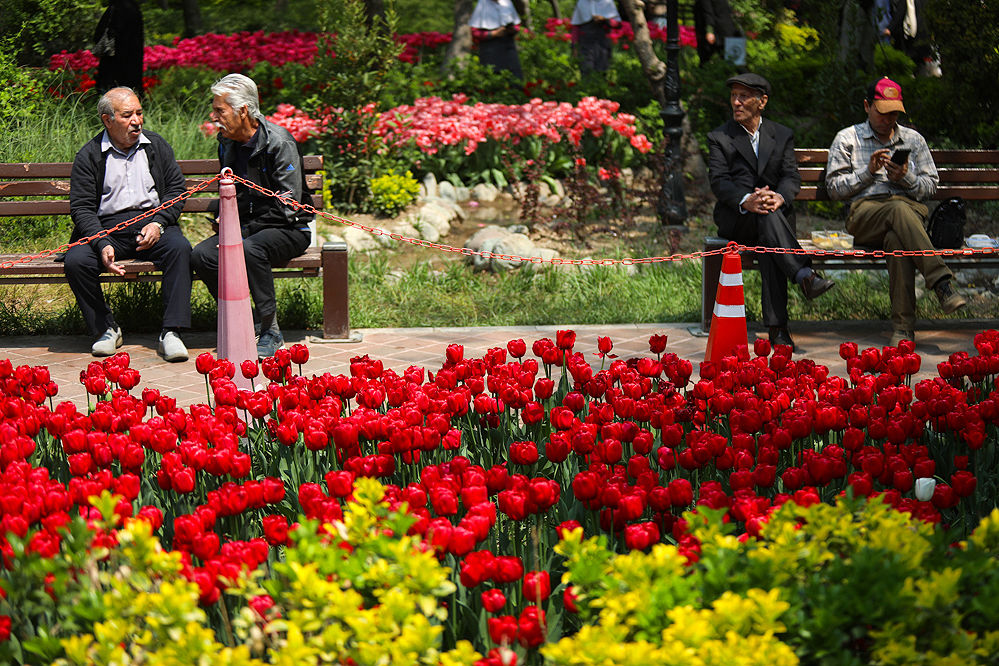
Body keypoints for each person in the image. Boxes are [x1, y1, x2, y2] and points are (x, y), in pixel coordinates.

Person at [826, 77, 965, 347]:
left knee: (898, 241)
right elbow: (833, 188)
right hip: (864, 214)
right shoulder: (848, 138)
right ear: (867, 106)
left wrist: (905, 177)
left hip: (908, 217)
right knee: (898, 208)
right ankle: (941, 283)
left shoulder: (913, 140)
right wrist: (867, 173)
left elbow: (929, 187)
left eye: (894, 113)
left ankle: (903, 331)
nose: (888, 119)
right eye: (882, 111)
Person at [707, 73, 834, 352]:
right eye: (733, 96)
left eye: (744, 97)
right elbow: (719, 181)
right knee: (768, 222)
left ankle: (780, 328)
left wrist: (778, 197)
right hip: (737, 218)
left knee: (768, 232)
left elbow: (791, 177)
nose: (736, 102)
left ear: (762, 102)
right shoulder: (720, 136)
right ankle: (803, 281)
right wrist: (746, 200)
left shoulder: (781, 134)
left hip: (770, 219)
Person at [191, 74, 313, 359]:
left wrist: (241, 230)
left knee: (249, 248)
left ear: (242, 110)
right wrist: (226, 220)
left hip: (289, 228)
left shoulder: (278, 142)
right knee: (202, 255)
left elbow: (289, 204)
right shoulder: (227, 143)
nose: (215, 116)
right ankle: (244, 317)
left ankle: (271, 329)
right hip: (247, 228)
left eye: (220, 110)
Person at [66, 87, 192, 361]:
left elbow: (175, 191)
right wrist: (100, 243)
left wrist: (159, 223)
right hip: (105, 229)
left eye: (139, 113)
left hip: (151, 226)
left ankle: (171, 332)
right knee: (76, 260)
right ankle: (106, 329)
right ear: (107, 120)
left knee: (179, 248)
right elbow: (82, 208)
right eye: (127, 115)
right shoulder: (89, 155)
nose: (136, 120)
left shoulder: (156, 146)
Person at [93, 0, 145, 95]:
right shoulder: (132, 8)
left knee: (111, 85)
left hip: (114, 56)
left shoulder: (116, 7)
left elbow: (99, 34)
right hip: (128, 57)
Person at [469, 0, 523, 80]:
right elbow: (475, 32)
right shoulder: (482, 4)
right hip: (490, 48)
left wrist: (512, 29)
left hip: (508, 45)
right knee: (493, 77)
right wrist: (494, 33)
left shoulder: (507, 2)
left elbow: (517, 24)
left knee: (515, 76)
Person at [571, 0, 621, 75]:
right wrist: (574, 46)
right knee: (586, 69)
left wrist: (604, 19)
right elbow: (576, 26)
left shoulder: (607, 2)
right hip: (585, 42)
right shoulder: (581, 2)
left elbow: (617, 24)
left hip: (602, 41)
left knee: (602, 70)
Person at [693, 0, 738, 66]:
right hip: (729, 30)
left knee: (705, 62)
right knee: (736, 62)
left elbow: (707, 12)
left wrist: (709, 31)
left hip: (717, 33)